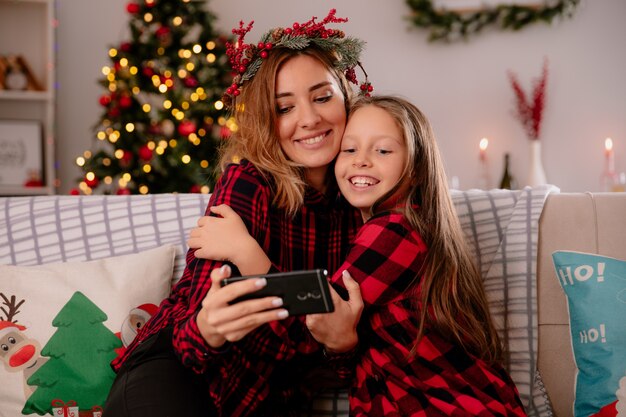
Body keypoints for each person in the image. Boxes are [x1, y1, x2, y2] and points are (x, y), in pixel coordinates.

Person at [103, 9, 370, 417]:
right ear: (266, 119)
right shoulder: (248, 183)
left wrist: (253, 259)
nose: (310, 118)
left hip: (263, 399)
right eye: (284, 108)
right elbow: (195, 325)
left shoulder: (364, 203)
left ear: (347, 96)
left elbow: (337, 354)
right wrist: (211, 328)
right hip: (180, 368)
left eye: (322, 96)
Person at [189, 95, 528, 416]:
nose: (361, 160)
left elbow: (316, 319)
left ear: (415, 169)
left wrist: (246, 251)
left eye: (382, 150)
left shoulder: (394, 231)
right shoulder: (373, 228)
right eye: (349, 148)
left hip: (446, 404)